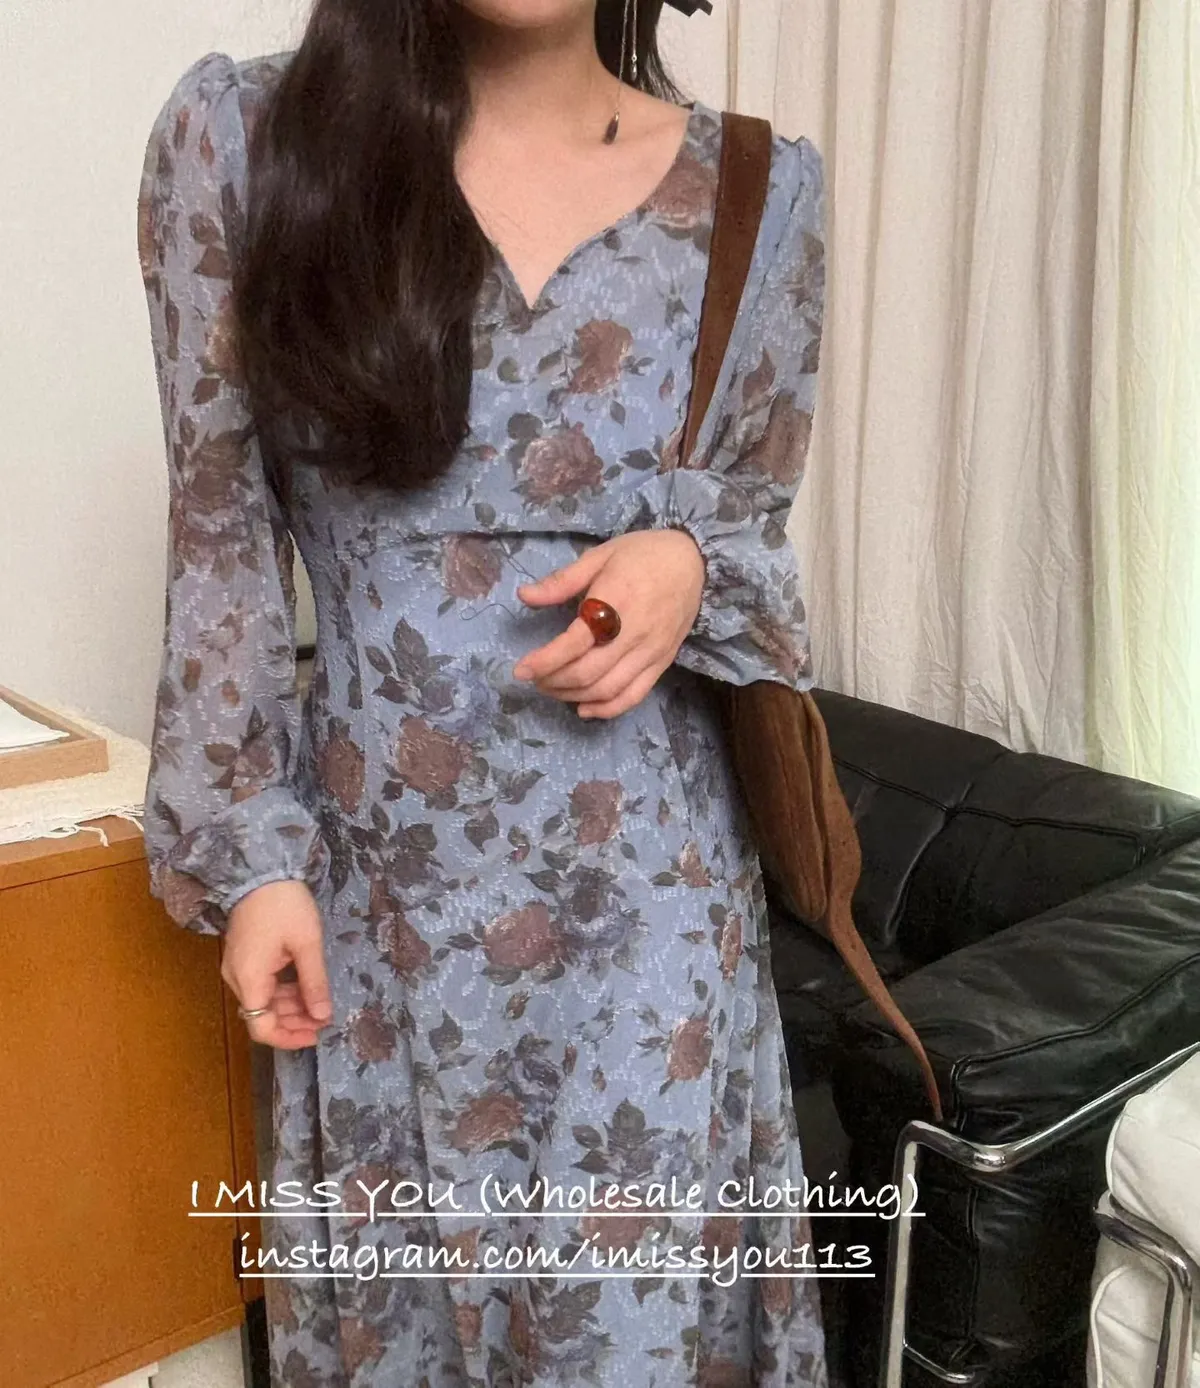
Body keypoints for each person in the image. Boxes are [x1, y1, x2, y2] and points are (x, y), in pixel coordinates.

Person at [137, 1, 827, 1383]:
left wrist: (690, 565)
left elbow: (755, 536)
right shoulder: (242, 143)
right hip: (380, 920)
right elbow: (220, 539)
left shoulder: (758, 192)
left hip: (652, 930)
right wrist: (254, 858)